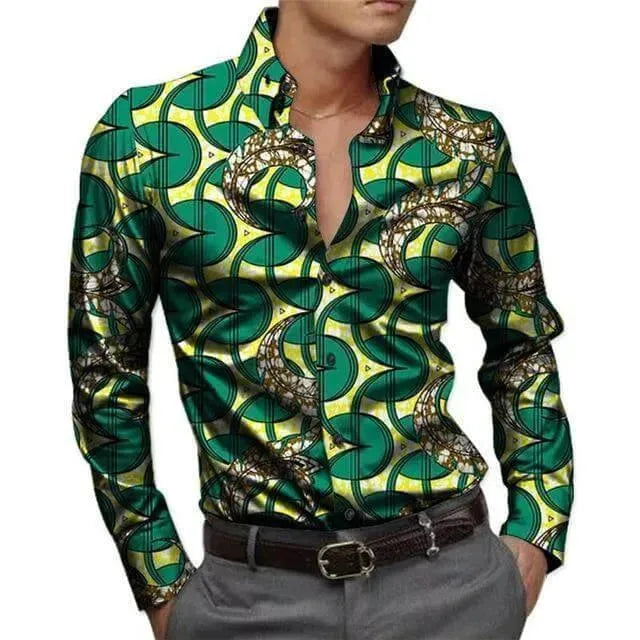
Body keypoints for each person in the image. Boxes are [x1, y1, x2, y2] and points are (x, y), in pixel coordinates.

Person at [67, 2, 574, 638]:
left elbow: (521, 345)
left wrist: (536, 530)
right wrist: (160, 579)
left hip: (451, 588)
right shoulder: (149, 138)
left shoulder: (464, 144)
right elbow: (104, 372)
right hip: (248, 602)